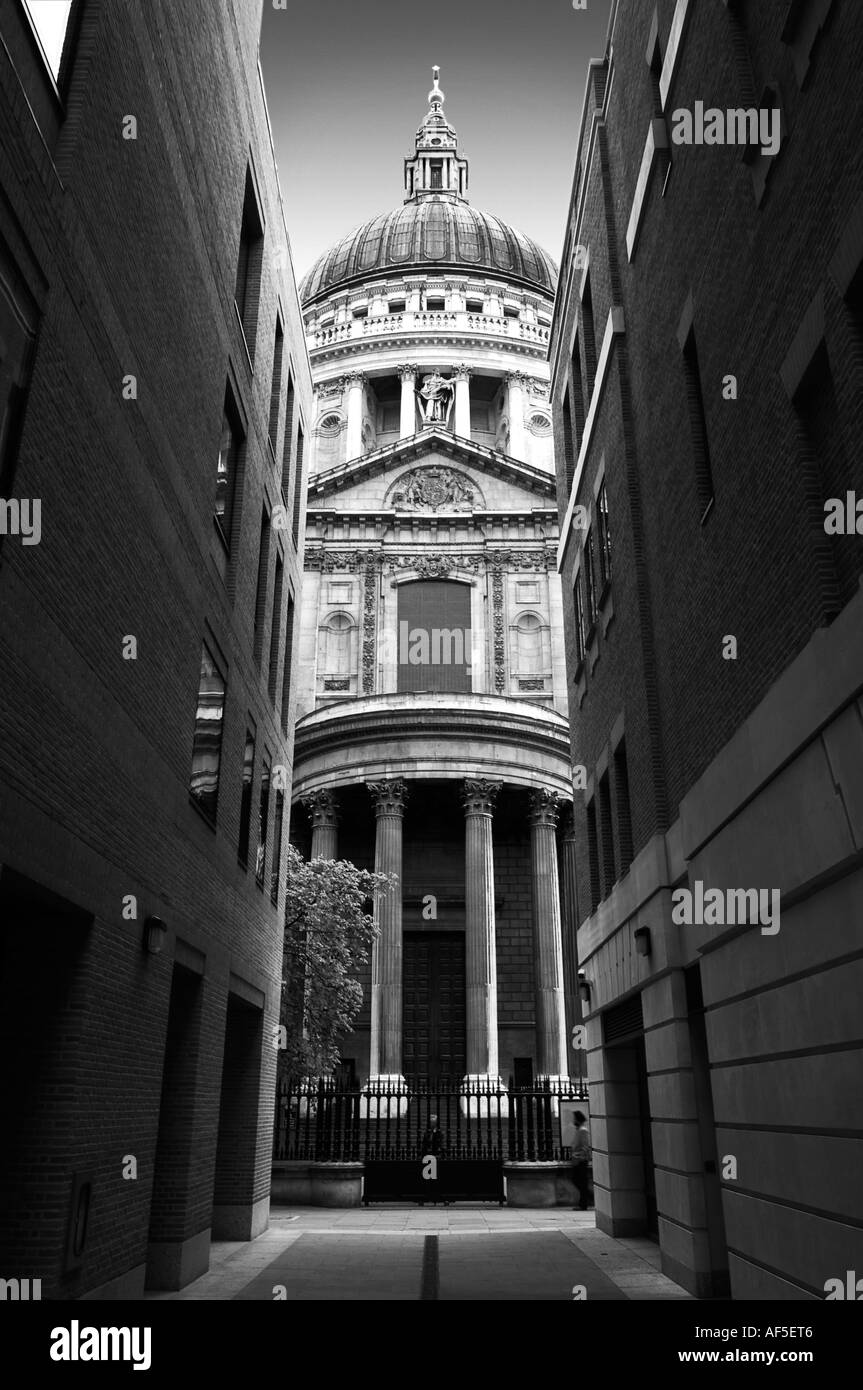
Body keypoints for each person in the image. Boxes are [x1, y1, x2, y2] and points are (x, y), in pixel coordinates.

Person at [572, 1110, 592, 1211]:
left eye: (575, 1118)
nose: (573, 1120)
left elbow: (585, 1146)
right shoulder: (579, 1129)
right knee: (579, 1181)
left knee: (580, 1181)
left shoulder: (583, 1130)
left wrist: (579, 1157)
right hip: (578, 1160)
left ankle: (585, 1202)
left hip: (581, 1160)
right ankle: (586, 1200)